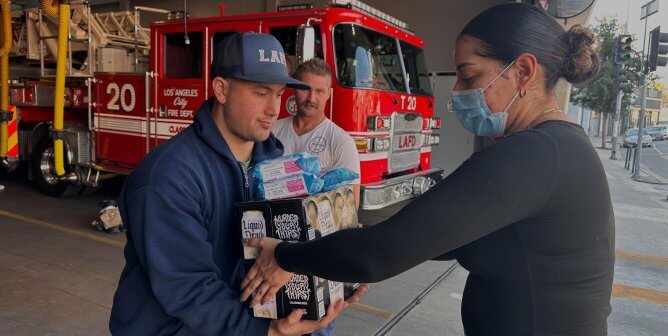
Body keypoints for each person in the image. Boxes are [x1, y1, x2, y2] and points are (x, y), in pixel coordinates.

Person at [241, 4, 615, 336]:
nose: (457, 90)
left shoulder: (535, 155)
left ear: (523, 71)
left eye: (469, 76)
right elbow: (434, 235)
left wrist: (285, 256)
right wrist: (344, 238)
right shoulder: (558, 148)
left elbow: (381, 253)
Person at [109, 32, 366, 336]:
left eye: (279, 94)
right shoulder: (168, 177)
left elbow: (286, 241)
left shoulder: (274, 163)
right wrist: (266, 332)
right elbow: (189, 289)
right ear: (221, 90)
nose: (274, 109)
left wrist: (305, 257)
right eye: (261, 93)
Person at [272, 58, 361, 206]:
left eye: (319, 91)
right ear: (294, 89)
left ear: (329, 94)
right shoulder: (272, 131)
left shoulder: (341, 142)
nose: (311, 98)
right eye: (305, 89)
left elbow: (351, 204)